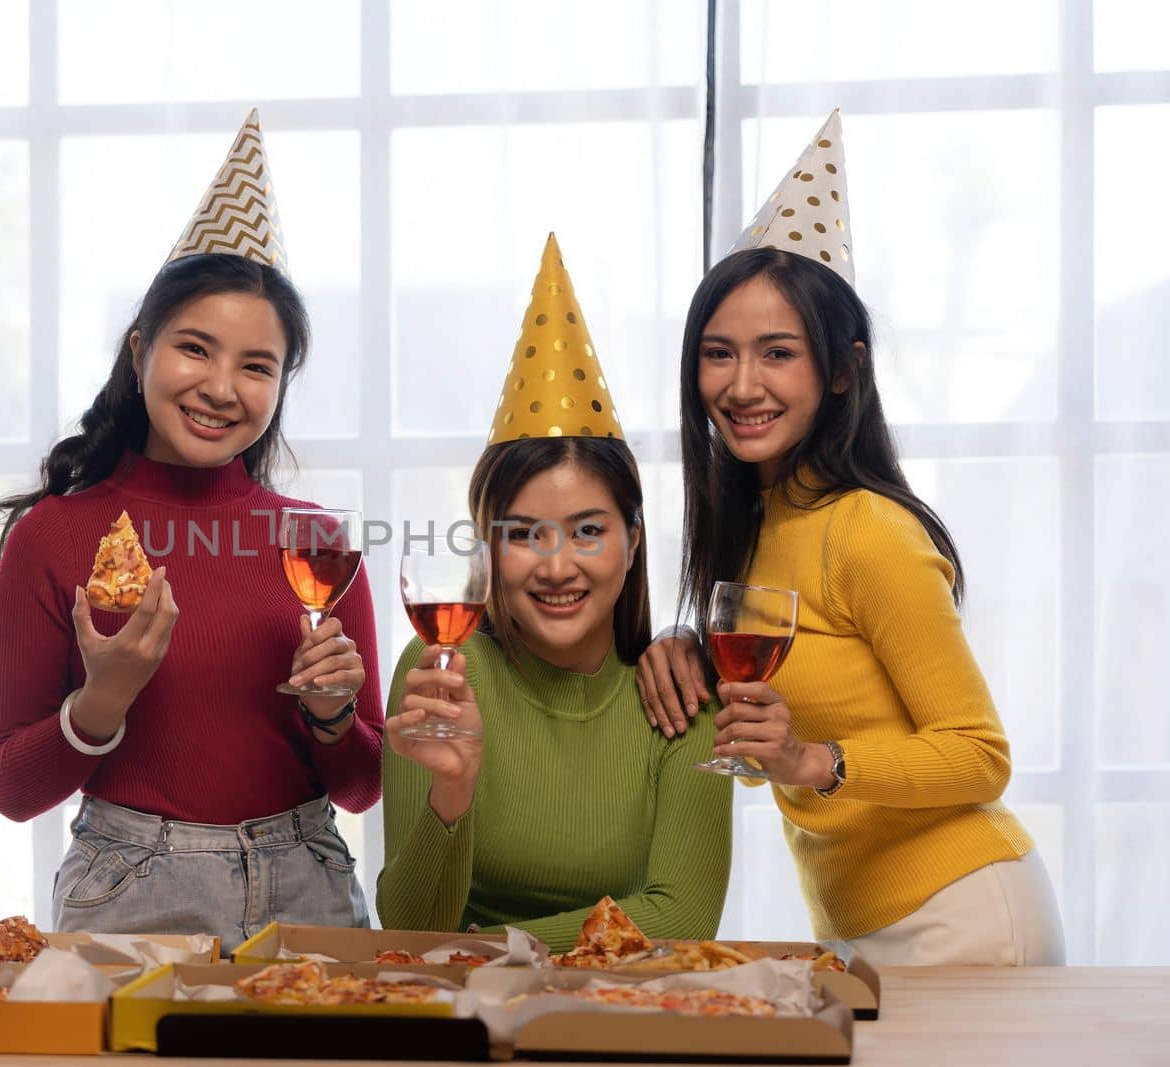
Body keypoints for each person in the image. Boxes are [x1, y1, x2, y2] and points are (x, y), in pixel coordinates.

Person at [637, 112, 1063, 965]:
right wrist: (689, 647)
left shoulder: (868, 529)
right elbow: (780, 728)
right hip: (857, 926)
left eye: (777, 353)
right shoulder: (752, 528)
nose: (742, 384)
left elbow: (980, 757)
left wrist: (811, 758)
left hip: (965, 917)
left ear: (840, 371)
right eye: (718, 354)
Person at [0, 110, 382, 948]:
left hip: (307, 887)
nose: (222, 386)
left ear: (281, 384)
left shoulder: (320, 548)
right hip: (131, 898)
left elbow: (363, 786)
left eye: (257, 366)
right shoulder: (55, 537)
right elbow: (13, 790)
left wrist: (336, 718)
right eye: (195, 349)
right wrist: (104, 697)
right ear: (140, 353)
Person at [377, 235, 732, 951]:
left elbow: (683, 917)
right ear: (489, 548)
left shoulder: (683, 694)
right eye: (525, 533)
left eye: (587, 530)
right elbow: (412, 930)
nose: (557, 565)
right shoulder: (441, 668)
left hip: (621, 1021)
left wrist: (495, 945)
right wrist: (452, 793)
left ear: (632, 542)